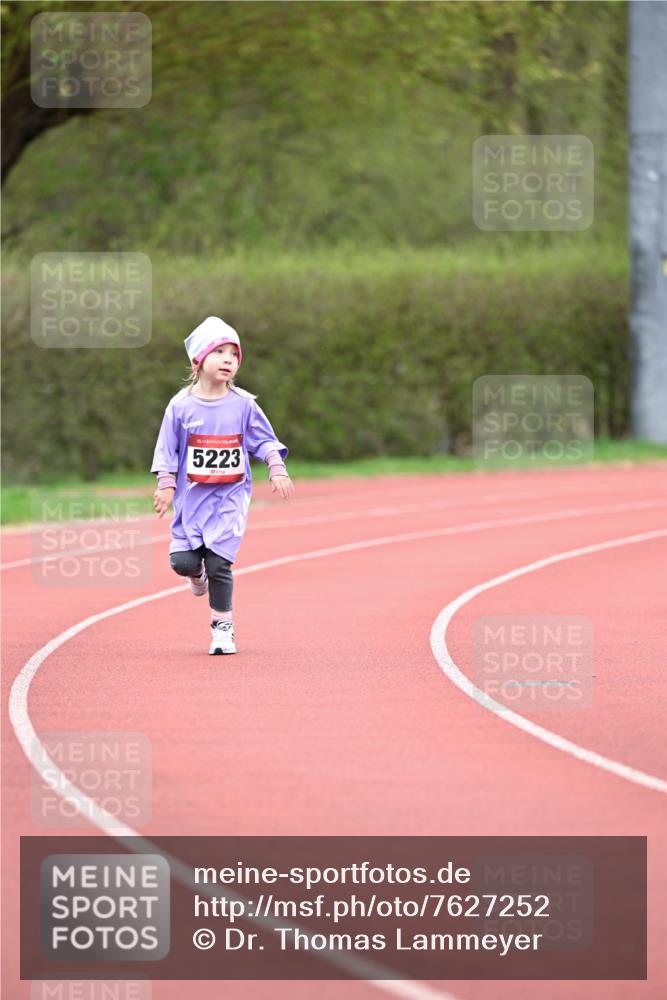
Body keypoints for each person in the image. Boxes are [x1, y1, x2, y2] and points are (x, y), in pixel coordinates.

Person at [151, 315, 294, 655]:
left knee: (219, 564)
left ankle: (222, 629)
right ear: (198, 360)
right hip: (192, 501)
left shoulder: (243, 404)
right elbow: (166, 450)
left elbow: (264, 440)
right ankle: (195, 576)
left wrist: (276, 468)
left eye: (234, 354)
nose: (229, 359)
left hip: (229, 500)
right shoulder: (180, 406)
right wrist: (166, 486)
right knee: (184, 563)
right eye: (220, 352)